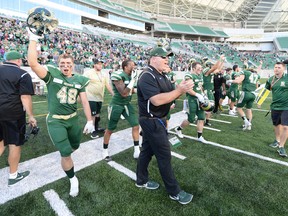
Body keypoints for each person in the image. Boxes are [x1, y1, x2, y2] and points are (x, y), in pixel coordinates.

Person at [27, 31, 94, 197]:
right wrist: (33, 39)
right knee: (65, 152)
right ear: (59, 65)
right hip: (56, 122)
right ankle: (72, 178)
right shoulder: (51, 76)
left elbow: (84, 101)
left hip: (72, 120)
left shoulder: (79, 80)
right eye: (62, 63)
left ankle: (67, 157)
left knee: (75, 146)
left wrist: (90, 120)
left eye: (68, 63)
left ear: (72, 65)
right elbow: (33, 63)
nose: (65, 65)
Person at [136, 46, 194, 205]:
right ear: (153, 58)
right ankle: (174, 192)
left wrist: (179, 88)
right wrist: (179, 91)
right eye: (164, 57)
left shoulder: (161, 75)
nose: (167, 59)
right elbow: (156, 100)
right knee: (164, 155)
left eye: (167, 57)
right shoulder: (147, 75)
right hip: (152, 121)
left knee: (147, 152)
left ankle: (141, 180)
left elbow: (170, 95)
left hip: (158, 120)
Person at [0, 50, 37, 186]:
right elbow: (25, 97)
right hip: (13, 114)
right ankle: (13, 175)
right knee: (14, 144)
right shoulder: (22, 73)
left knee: (1, 142)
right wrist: (31, 116)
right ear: (19, 61)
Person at [102, 59, 140, 161]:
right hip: (116, 105)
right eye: (132, 65)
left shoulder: (130, 76)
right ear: (125, 67)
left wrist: (143, 90)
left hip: (126, 104)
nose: (134, 67)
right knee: (110, 129)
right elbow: (124, 93)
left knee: (136, 125)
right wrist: (132, 81)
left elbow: (131, 90)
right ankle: (105, 151)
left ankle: (137, 151)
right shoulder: (117, 75)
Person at [175, 61, 207, 143]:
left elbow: (200, 87)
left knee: (201, 118)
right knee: (191, 119)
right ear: (193, 68)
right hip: (192, 100)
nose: (200, 70)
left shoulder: (200, 76)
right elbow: (188, 89)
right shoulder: (189, 75)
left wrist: (203, 94)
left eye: (201, 68)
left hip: (200, 100)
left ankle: (199, 136)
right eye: (198, 68)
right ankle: (178, 129)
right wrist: (197, 95)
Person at [83, 58, 114, 139]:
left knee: (97, 115)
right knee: (93, 115)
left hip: (100, 98)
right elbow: (82, 82)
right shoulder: (88, 73)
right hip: (90, 97)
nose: (100, 65)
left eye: (101, 64)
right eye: (98, 64)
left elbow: (107, 85)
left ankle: (96, 127)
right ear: (94, 64)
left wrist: (113, 94)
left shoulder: (104, 74)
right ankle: (92, 130)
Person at [226, 62, 262, 130]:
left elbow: (238, 81)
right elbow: (257, 82)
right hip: (253, 94)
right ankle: (249, 125)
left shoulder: (245, 72)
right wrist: (260, 64)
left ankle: (246, 121)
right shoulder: (256, 75)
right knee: (248, 109)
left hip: (246, 93)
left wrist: (230, 81)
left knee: (238, 108)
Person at [265, 62, 288, 157]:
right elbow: (266, 90)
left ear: (283, 68)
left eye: (279, 67)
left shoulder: (287, 78)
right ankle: (277, 140)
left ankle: (281, 147)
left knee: (286, 127)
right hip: (275, 106)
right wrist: (259, 101)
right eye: (275, 67)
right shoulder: (270, 79)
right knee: (277, 125)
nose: (276, 69)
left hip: (286, 107)